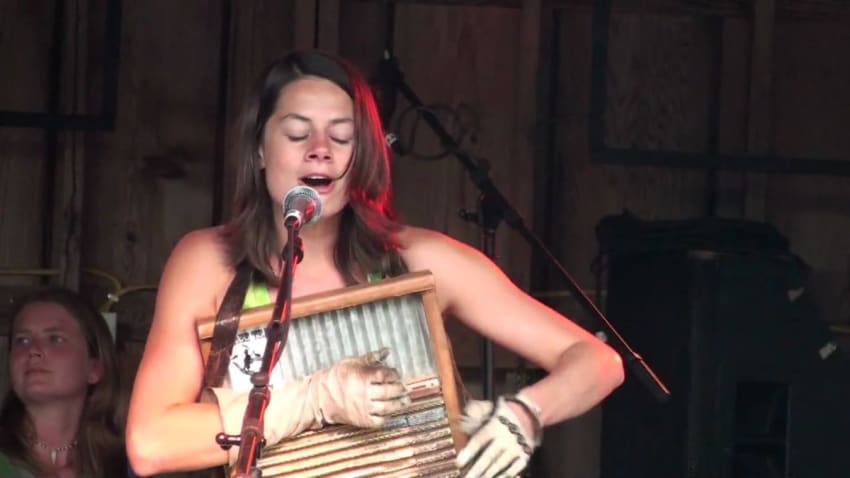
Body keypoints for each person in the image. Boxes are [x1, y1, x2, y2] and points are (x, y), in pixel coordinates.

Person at [126, 49, 624, 477]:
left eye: (341, 137)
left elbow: (599, 361)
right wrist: (314, 400)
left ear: (362, 155)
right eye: (297, 134)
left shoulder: (418, 260)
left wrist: (527, 413)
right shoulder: (208, 262)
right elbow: (150, 444)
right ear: (259, 149)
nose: (319, 151)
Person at [0, 288, 128, 478]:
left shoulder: (124, 465)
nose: (33, 350)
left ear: (94, 368)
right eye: (22, 340)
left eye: (55, 339)